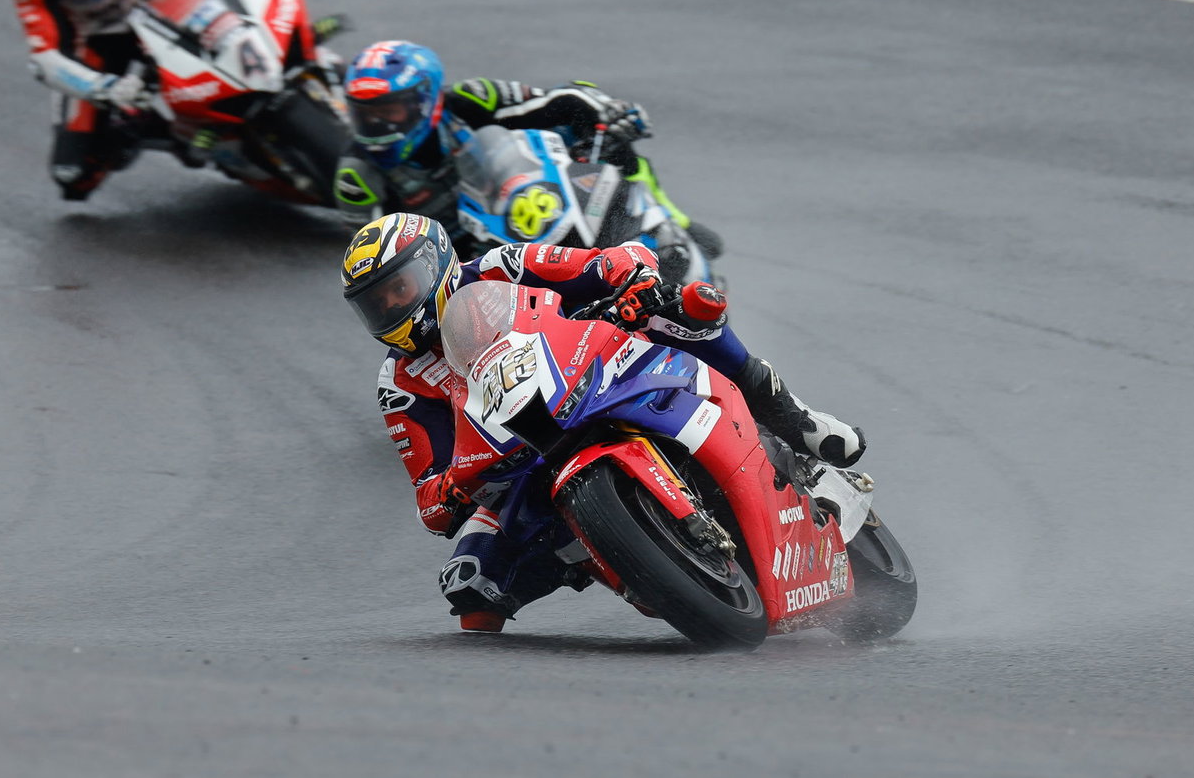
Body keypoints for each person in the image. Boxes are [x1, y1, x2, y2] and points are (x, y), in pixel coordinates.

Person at [341, 213, 866, 632]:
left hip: (595, 369)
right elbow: (427, 494)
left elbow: (613, 259)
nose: (391, 308)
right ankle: (621, 556)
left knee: (684, 309)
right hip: (522, 460)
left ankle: (796, 420)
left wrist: (633, 280)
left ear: (435, 264)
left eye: (399, 289)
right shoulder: (400, 384)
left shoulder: (502, 264)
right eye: (376, 304)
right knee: (471, 587)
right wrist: (450, 489)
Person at [10, 0, 303, 201]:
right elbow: (45, 57)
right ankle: (162, 131)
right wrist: (101, 87)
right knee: (74, 175)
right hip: (102, 33)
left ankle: (305, 51)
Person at [333, 41, 694, 244]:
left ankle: (666, 218)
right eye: (365, 114)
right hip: (467, 266)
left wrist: (608, 111)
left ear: (424, 101)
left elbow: (560, 100)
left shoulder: (471, 98)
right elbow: (373, 259)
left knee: (609, 138)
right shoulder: (357, 176)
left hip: (528, 204)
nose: (376, 123)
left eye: (389, 111)